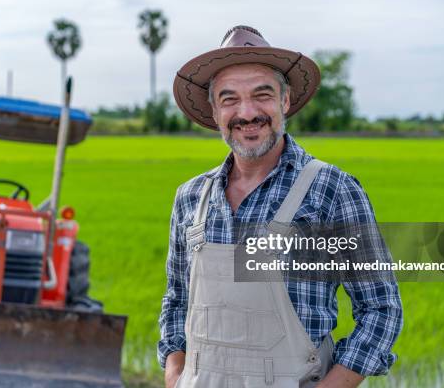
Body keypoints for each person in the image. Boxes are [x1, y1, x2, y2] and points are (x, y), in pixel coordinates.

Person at [158, 25, 403, 388]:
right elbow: (176, 301)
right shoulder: (191, 197)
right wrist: (175, 375)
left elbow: (381, 310)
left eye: (262, 95)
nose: (247, 112)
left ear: (285, 101)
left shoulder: (331, 191)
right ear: (214, 111)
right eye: (229, 99)